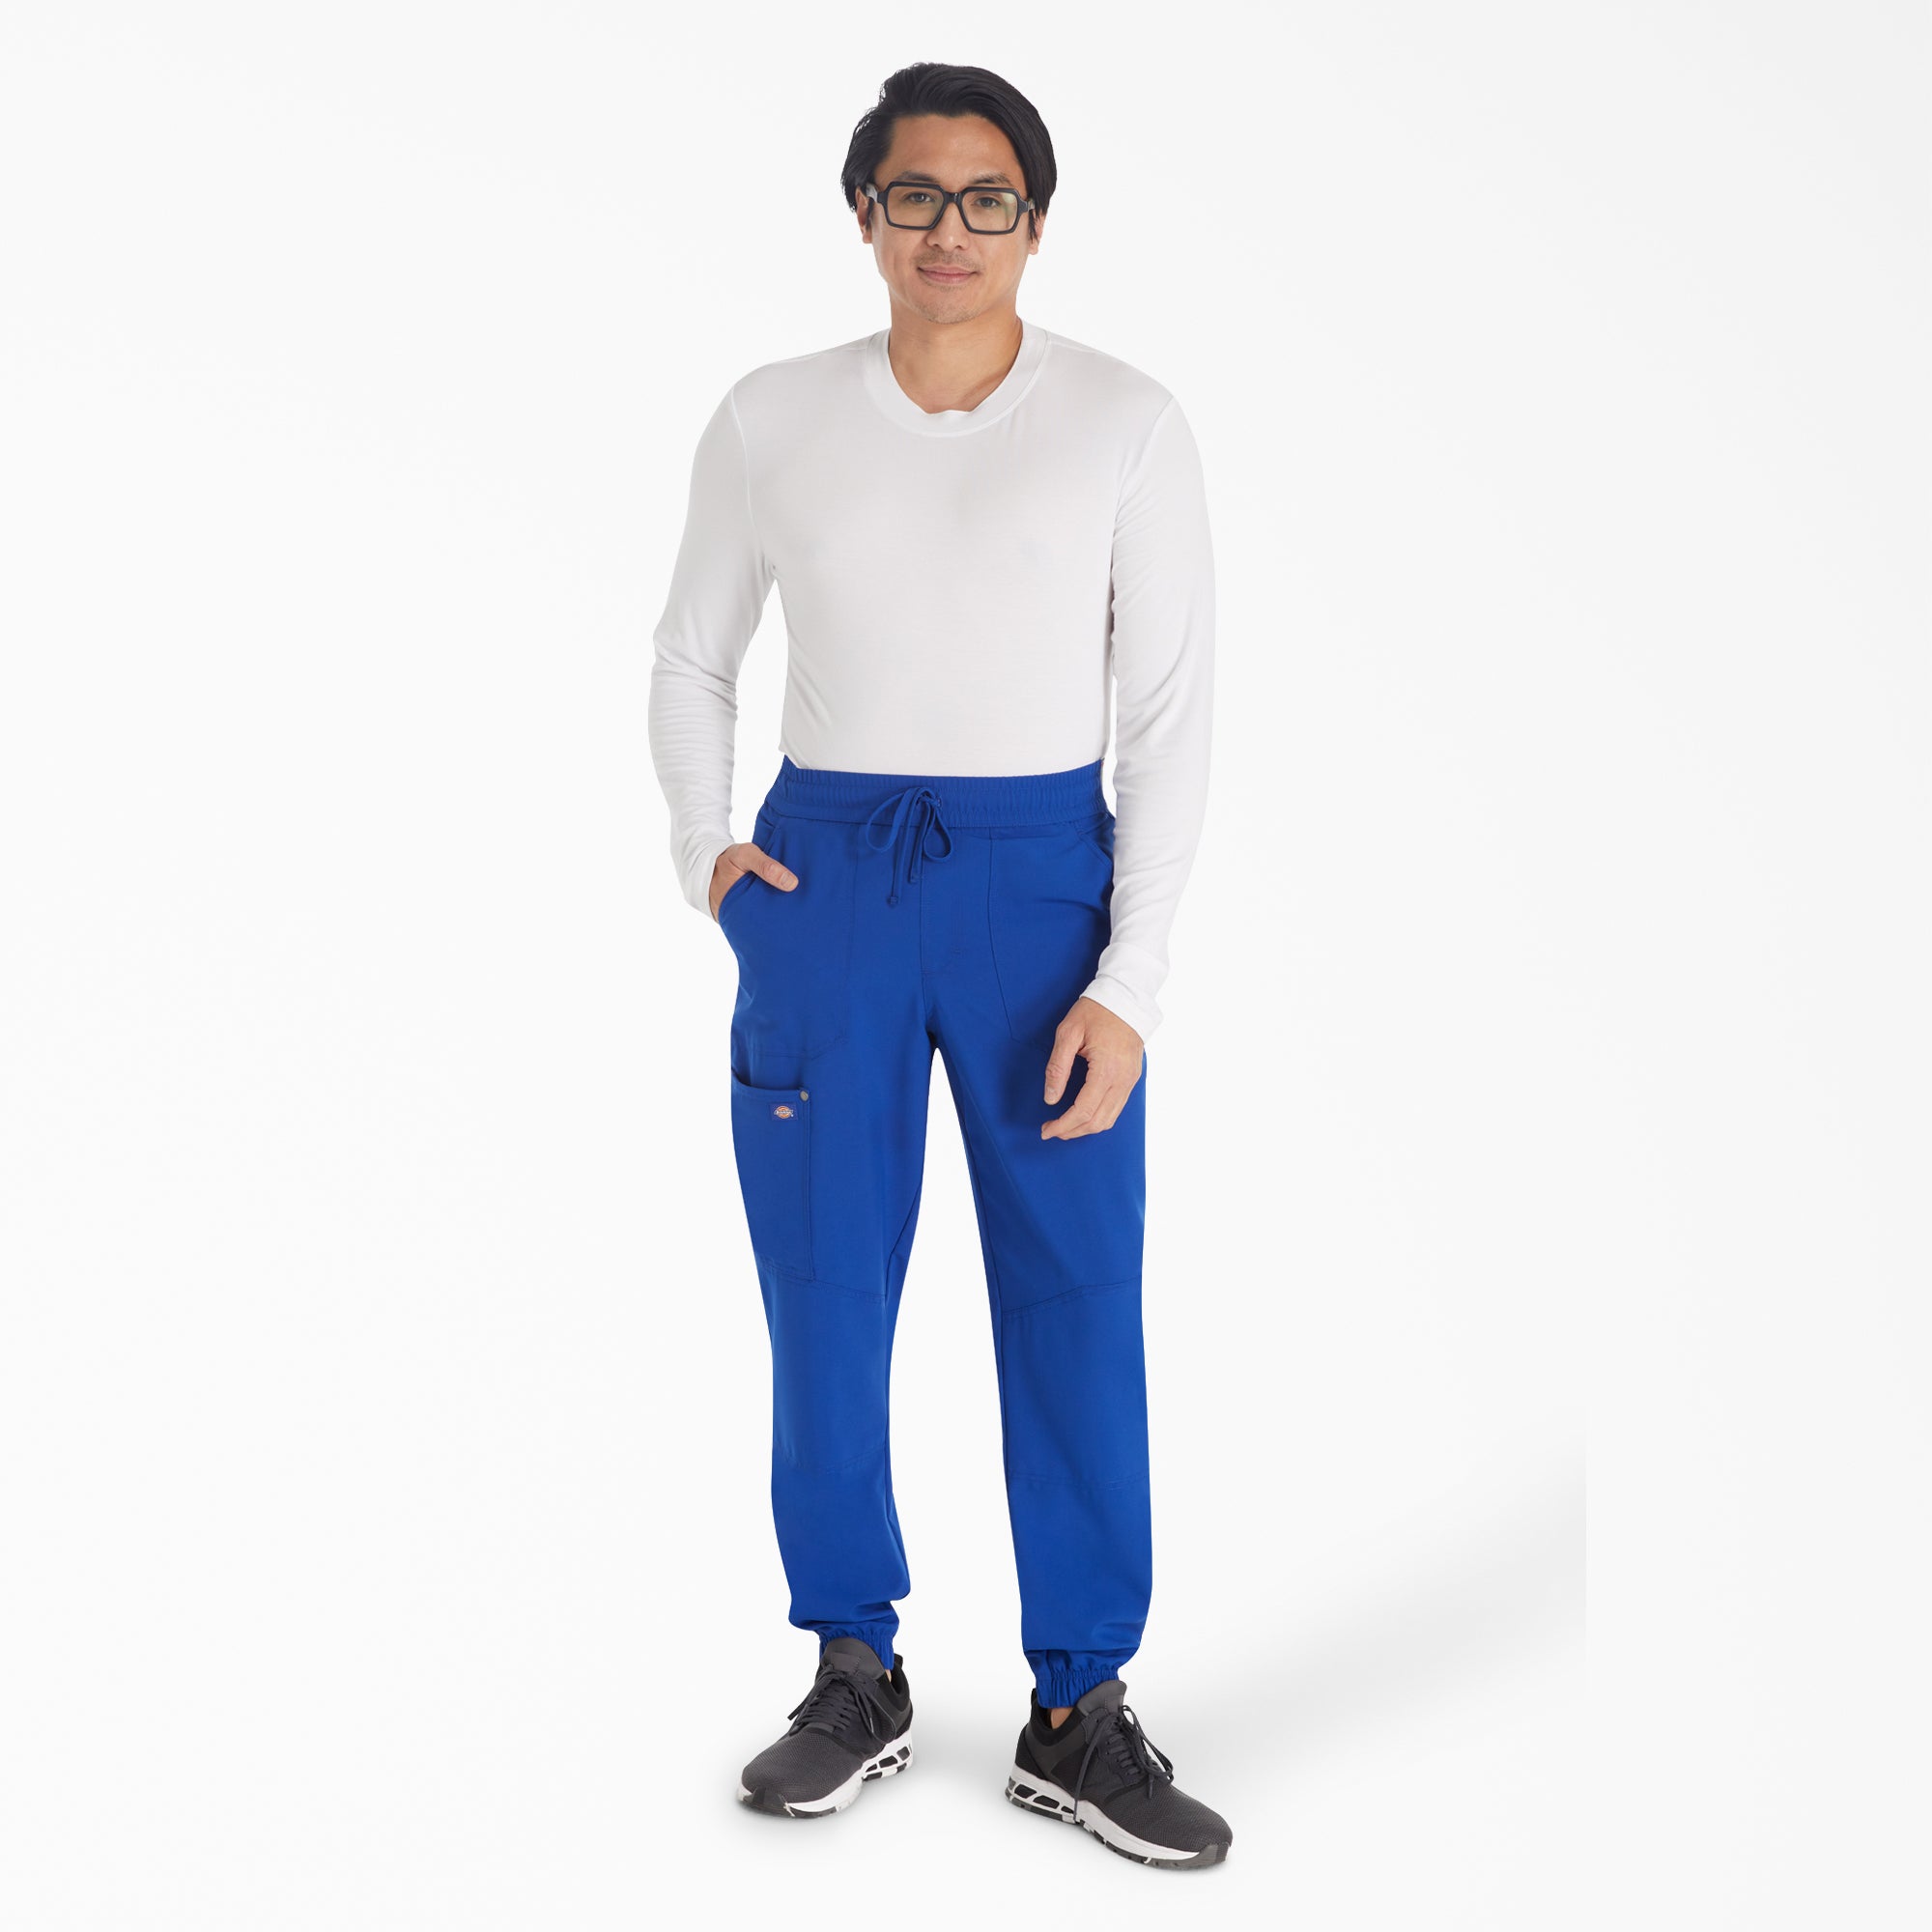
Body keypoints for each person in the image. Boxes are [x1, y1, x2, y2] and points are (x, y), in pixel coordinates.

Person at [647, 62, 1227, 1868]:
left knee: (1074, 1292)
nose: (950, 229)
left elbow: (1168, 720)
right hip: (825, 880)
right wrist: (712, 858)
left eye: (989, 199)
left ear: (1035, 222)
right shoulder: (773, 417)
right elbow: (691, 655)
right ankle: (853, 1666)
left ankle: (1080, 1705)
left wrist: (1129, 985)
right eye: (916, 195)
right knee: (824, 1286)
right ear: (865, 215)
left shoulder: (1125, 421)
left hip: (1042, 892)